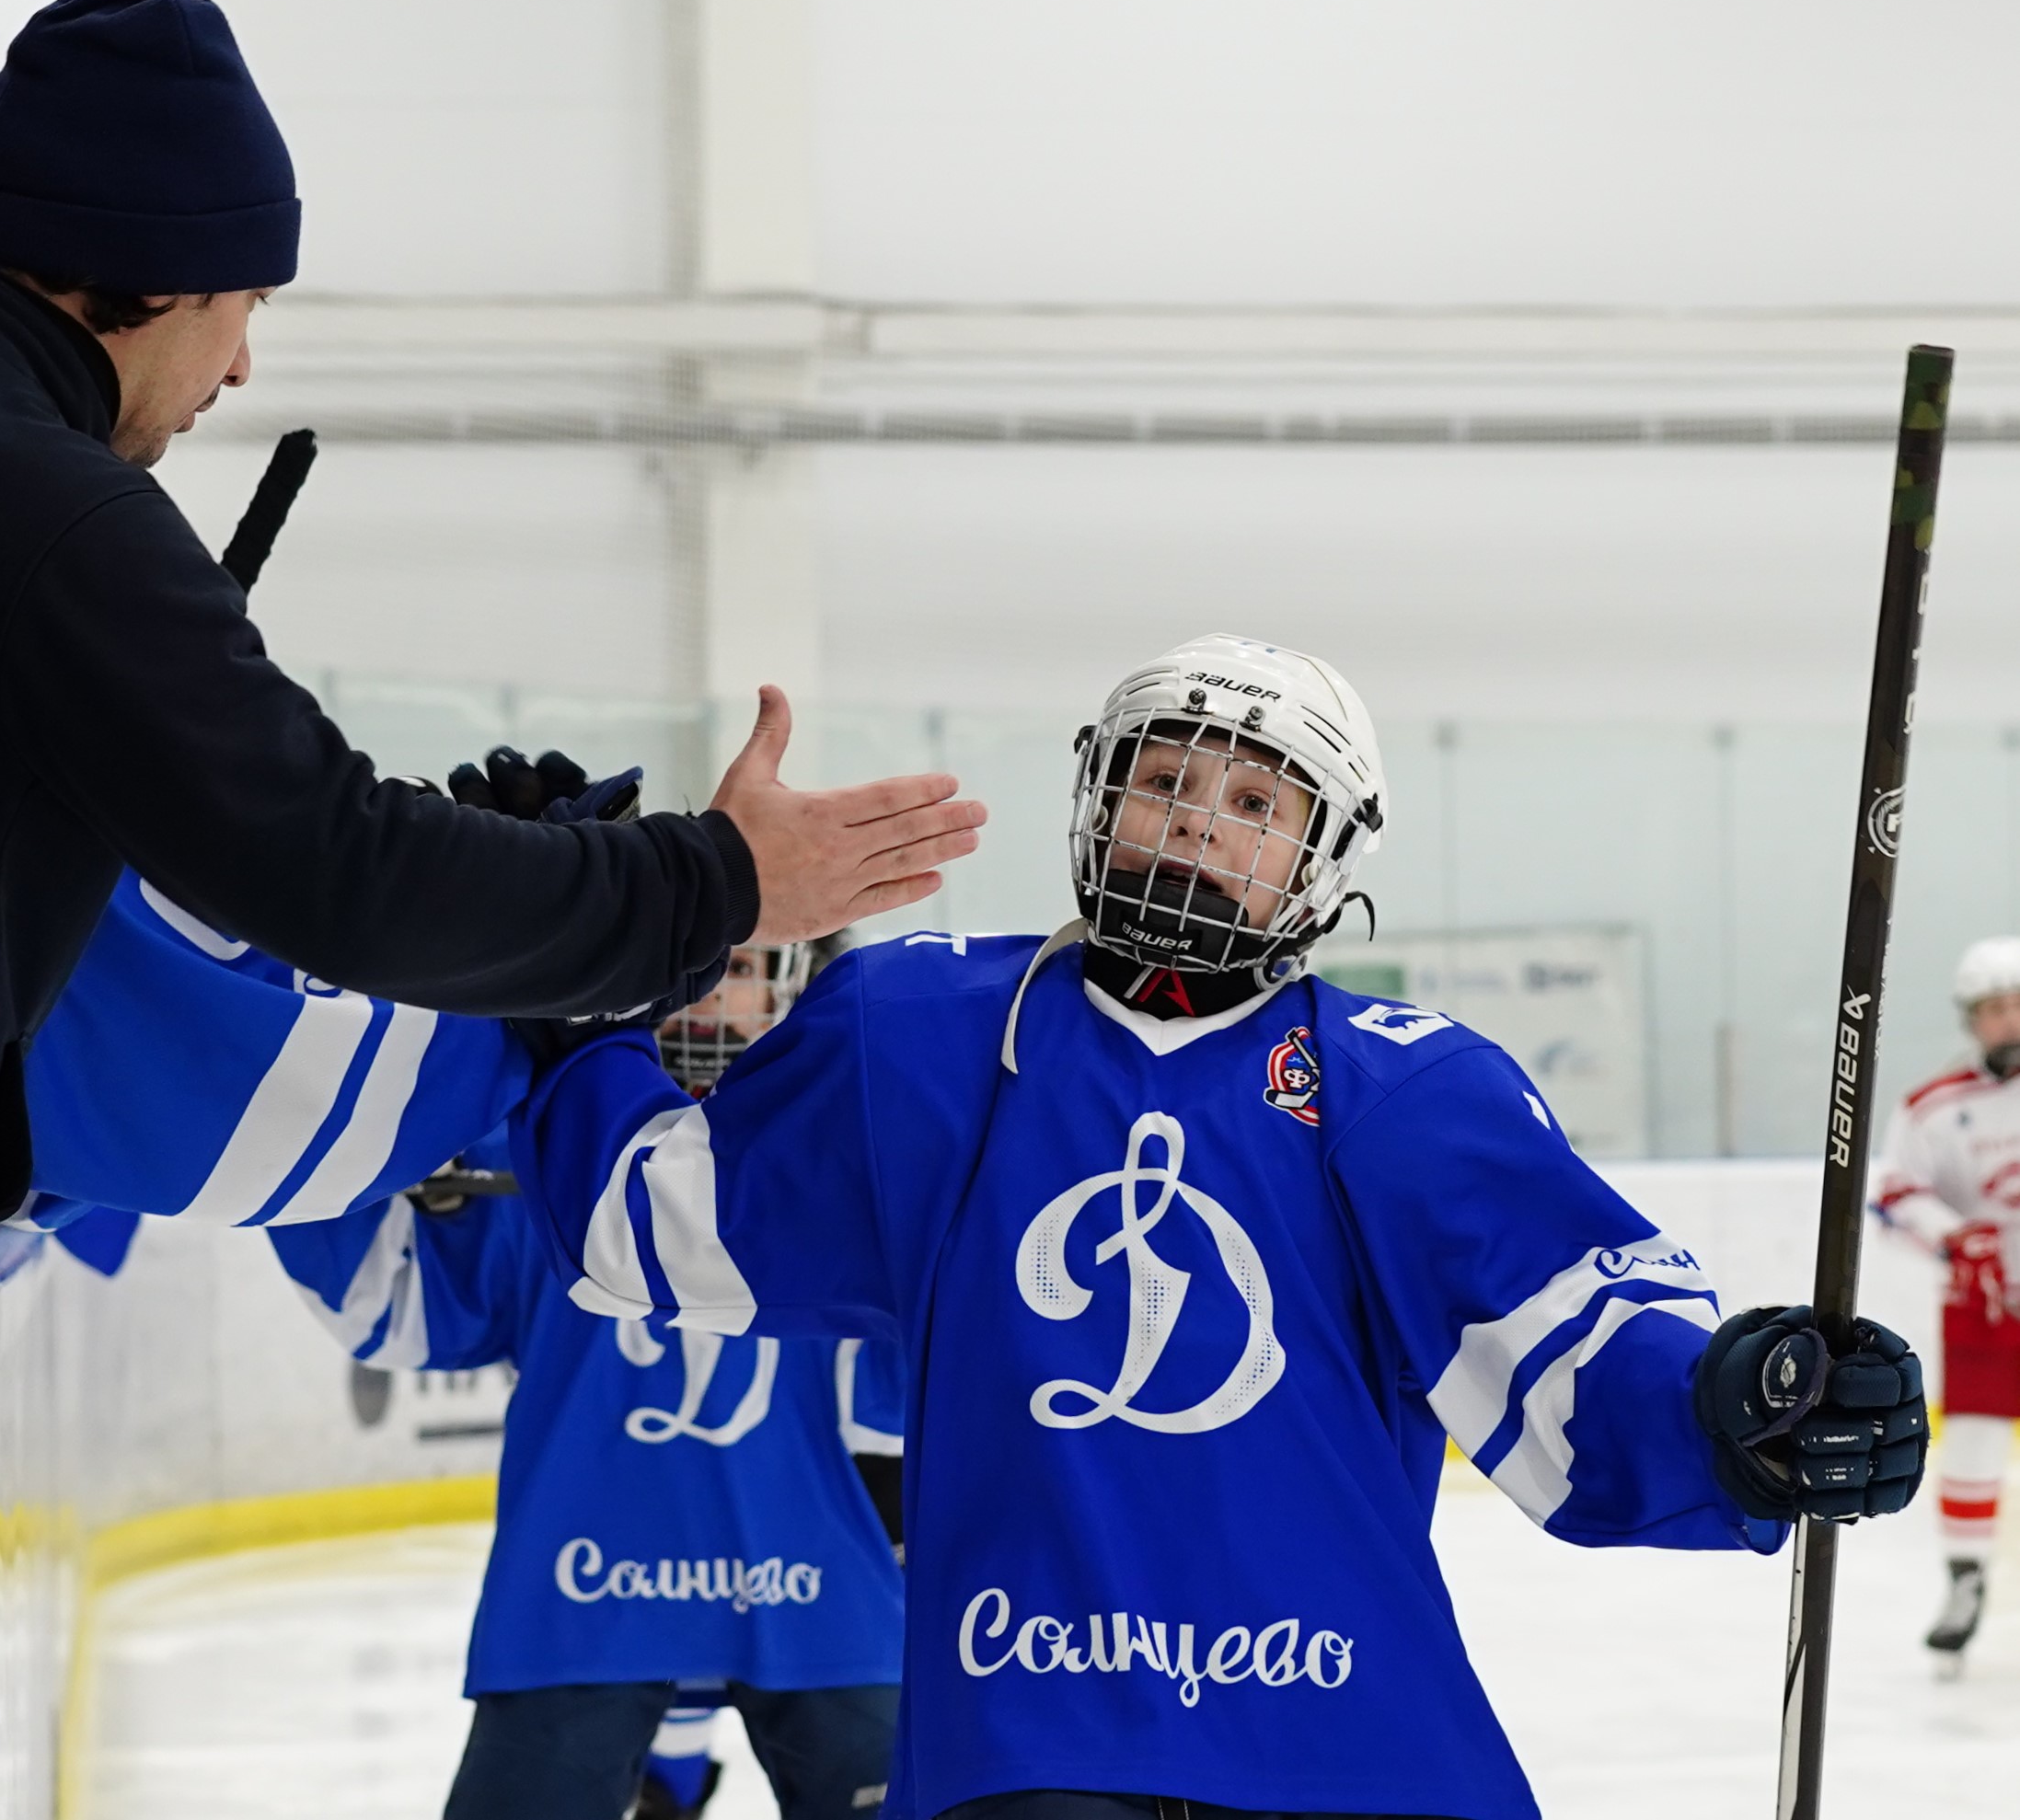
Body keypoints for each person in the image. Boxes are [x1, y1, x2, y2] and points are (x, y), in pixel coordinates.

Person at [510, 633, 1928, 1820]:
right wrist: (593, 963)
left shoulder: (1408, 1090)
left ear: (1323, 855)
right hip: (1036, 1744)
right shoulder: (922, 1040)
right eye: (1167, 780)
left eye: (1259, 801)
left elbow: (1581, 1362)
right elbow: (660, 1221)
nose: (1198, 817)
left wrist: (1749, 1407)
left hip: (1361, 1746)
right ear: (1094, 801)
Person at [0, 0, 981, 1298]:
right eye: (246, 305)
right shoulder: (46, 508)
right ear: (158, 272)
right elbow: (335, 869)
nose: (243, 366)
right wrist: (711, 884)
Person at [268, 945, 905, 1820]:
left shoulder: (847, 1151)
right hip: (595, 1600)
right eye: (700, 965)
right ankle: (673, 1780)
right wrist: (381, 1178)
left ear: (797, 984)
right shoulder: (552, 1140)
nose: (718, 992)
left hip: (813, 1599)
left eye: (749, 966)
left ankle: (674, 1780)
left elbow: (912, 1388)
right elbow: (399, 1308)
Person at [1871, 936, 2020, 1667]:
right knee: (1975, 1445)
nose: (2010, 1020)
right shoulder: (1934, 1106)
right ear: (1972, 1017)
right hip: (1983, 1305)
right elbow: (1895, 1192)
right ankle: (1965, 1581)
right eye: (1996, 1008)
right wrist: (1956, 1238)